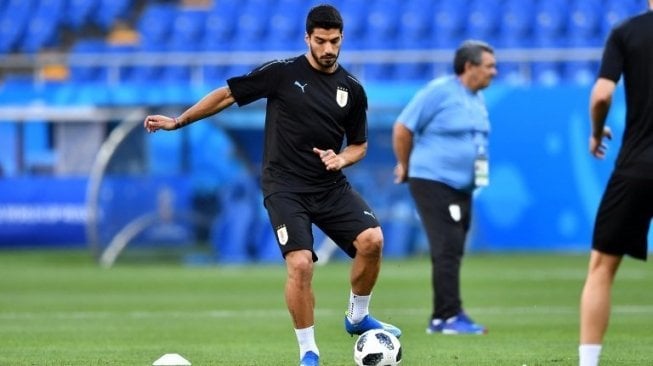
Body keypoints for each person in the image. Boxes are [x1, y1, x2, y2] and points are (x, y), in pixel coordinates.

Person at [143, 5, 400, 366]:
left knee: (373, 240)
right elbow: (228, 94)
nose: (328, 49)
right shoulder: (281, 73)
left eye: (335, 41)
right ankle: (309, 351)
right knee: (301, 265)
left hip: (329, 185)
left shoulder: (352, 90)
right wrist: (179, 121)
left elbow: (359, 144)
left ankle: (357, 316)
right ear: (307, 38)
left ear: (342, 39)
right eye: (321, 41)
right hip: (284, 187)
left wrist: (342, 159)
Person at [392, 40, 497, 335]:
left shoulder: (476, 98)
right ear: (469, 67)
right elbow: (403, 127)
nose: (495, 72)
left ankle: (451, 310)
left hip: (462, 187)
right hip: (434, 181)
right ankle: (445, 317)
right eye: (489, 66)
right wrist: (406, 165)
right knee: (447, 246)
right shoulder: (439, 91)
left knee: (455, 247)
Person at [579, 2, 653, 365]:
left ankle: (589, 362)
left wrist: (596, 133)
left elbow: (602, 94)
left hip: (638, 165)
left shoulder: (627, 32)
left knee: (602, 267)